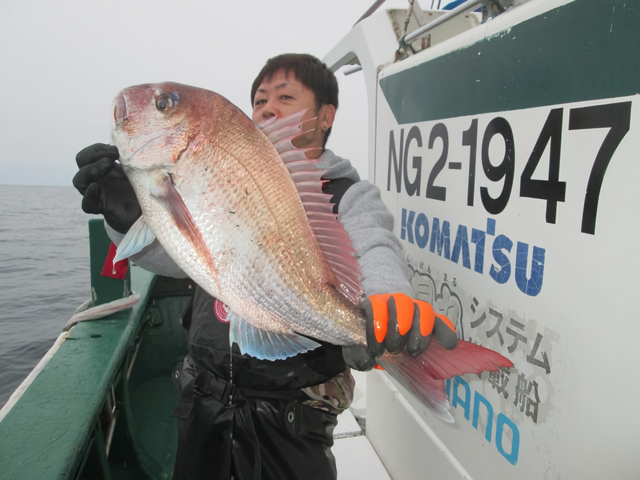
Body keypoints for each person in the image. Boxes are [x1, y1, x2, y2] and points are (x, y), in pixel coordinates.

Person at [73, 53, 456, 480]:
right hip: (204, 397)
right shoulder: (215, 173)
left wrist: (386, 297)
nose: (267, 107)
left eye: (286, 96)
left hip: (296, 412)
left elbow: (376, 243)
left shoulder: (347, 192)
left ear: (325, 115)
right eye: (259, 99)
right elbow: (182, 261)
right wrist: (124, 219)